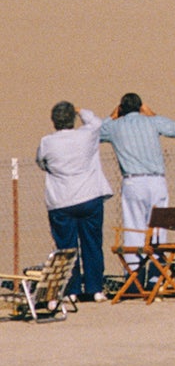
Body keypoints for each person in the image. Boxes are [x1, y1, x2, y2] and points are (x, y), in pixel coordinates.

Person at [37, 101, 113, 301]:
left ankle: (71, 290)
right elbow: (96, 123)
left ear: (54, 121)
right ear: (72, 119)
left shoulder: (47, 142)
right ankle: (95, 288)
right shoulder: (86, 135)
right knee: (92, 243)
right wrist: (82, 111)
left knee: (66, 247)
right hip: (89, 196)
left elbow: (41, 162)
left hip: (61, 201)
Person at [99, 92, 175, 264]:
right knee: (159, 229)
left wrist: (112, 116)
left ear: (122, 108)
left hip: (133, 181)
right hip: (157, 181)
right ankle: (155, 277)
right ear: (140, 106)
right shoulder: (151, 122)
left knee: (134, 230)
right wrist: (151, 113)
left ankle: (134, 276)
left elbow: (95, 134)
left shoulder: (115, 126)